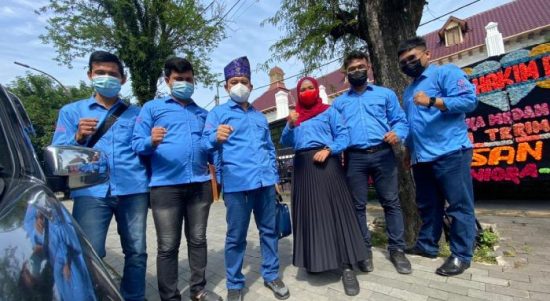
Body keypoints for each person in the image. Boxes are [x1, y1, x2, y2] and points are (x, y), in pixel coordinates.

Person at [52, 50, 149, 301]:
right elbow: (59, 157)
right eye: (100, 73)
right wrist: (78, 138)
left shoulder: (137, 113)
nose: (107, 78)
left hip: (133, 189)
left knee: (137, 252)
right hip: (90, 192)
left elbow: (145, 148)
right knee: (90, 253)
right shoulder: (72, 112)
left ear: (123, 79)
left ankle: (134, 296)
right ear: (90, 75)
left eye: (113, 74)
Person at [132, 57, 222, 301]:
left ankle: (198, 291)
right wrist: (151, 141)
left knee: (198, 240)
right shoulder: (152, 108)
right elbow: (136, 143)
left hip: (200, 185)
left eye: (189, 79)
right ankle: (170, 297)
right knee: (168, 246)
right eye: (179, 79)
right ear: (167, 81)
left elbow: (210, 147)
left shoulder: (202, 113)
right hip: (165, 187)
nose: (184, 83)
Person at [203, 56, 290, 301]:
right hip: (236, 185)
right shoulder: (217, 114)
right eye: (234, 81)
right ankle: (234, 283)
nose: (239, 85)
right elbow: (203, 145)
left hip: (264, 184)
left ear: (251, 86)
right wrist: (214, 138)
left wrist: (274, 178)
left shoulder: (259, 117)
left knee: (269, 232)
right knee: (236, 237)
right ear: (226, 86)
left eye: (243, 81)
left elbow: (269, 149)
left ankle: (271, 274)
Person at [280, 76, 368, 296]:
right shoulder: (295, 116)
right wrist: (290, 124)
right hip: (302, 168)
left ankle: (347, 266)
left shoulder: (329, 111)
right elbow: (285, 141)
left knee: (337, 212)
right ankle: (315, 261)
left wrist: (329, 149)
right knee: (310, 214)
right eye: (303, 90)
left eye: (310, 88)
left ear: (316, 91)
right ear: (298, 94)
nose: (307, 92)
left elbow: (344, 136)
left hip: (326, 162)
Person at [397, 36, 478, 276]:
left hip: (450, 152)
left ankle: (461, 255)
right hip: (422, 159)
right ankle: (427, 245)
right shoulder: (409, 91)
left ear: (426, 55)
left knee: (459, 205)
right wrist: (408, 151)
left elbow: (469, 100)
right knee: (428, 205)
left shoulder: (446, 73)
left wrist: (432, 101)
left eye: (412, 58)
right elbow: (412, 125)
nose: (408, 64)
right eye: (403, 62)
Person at [332, 50, 412, 275]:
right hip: (354, 157)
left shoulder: (385, 94)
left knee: (391, 202)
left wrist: (397, 133)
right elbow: (334, 132)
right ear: (346, 74)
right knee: (357, 206)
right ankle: (363, 250)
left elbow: (400, 120)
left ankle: (397, 250)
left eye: (360, 67)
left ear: (368, 68)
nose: (357, 71)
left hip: (383, 153)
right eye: (352, 69)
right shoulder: (339, 104)